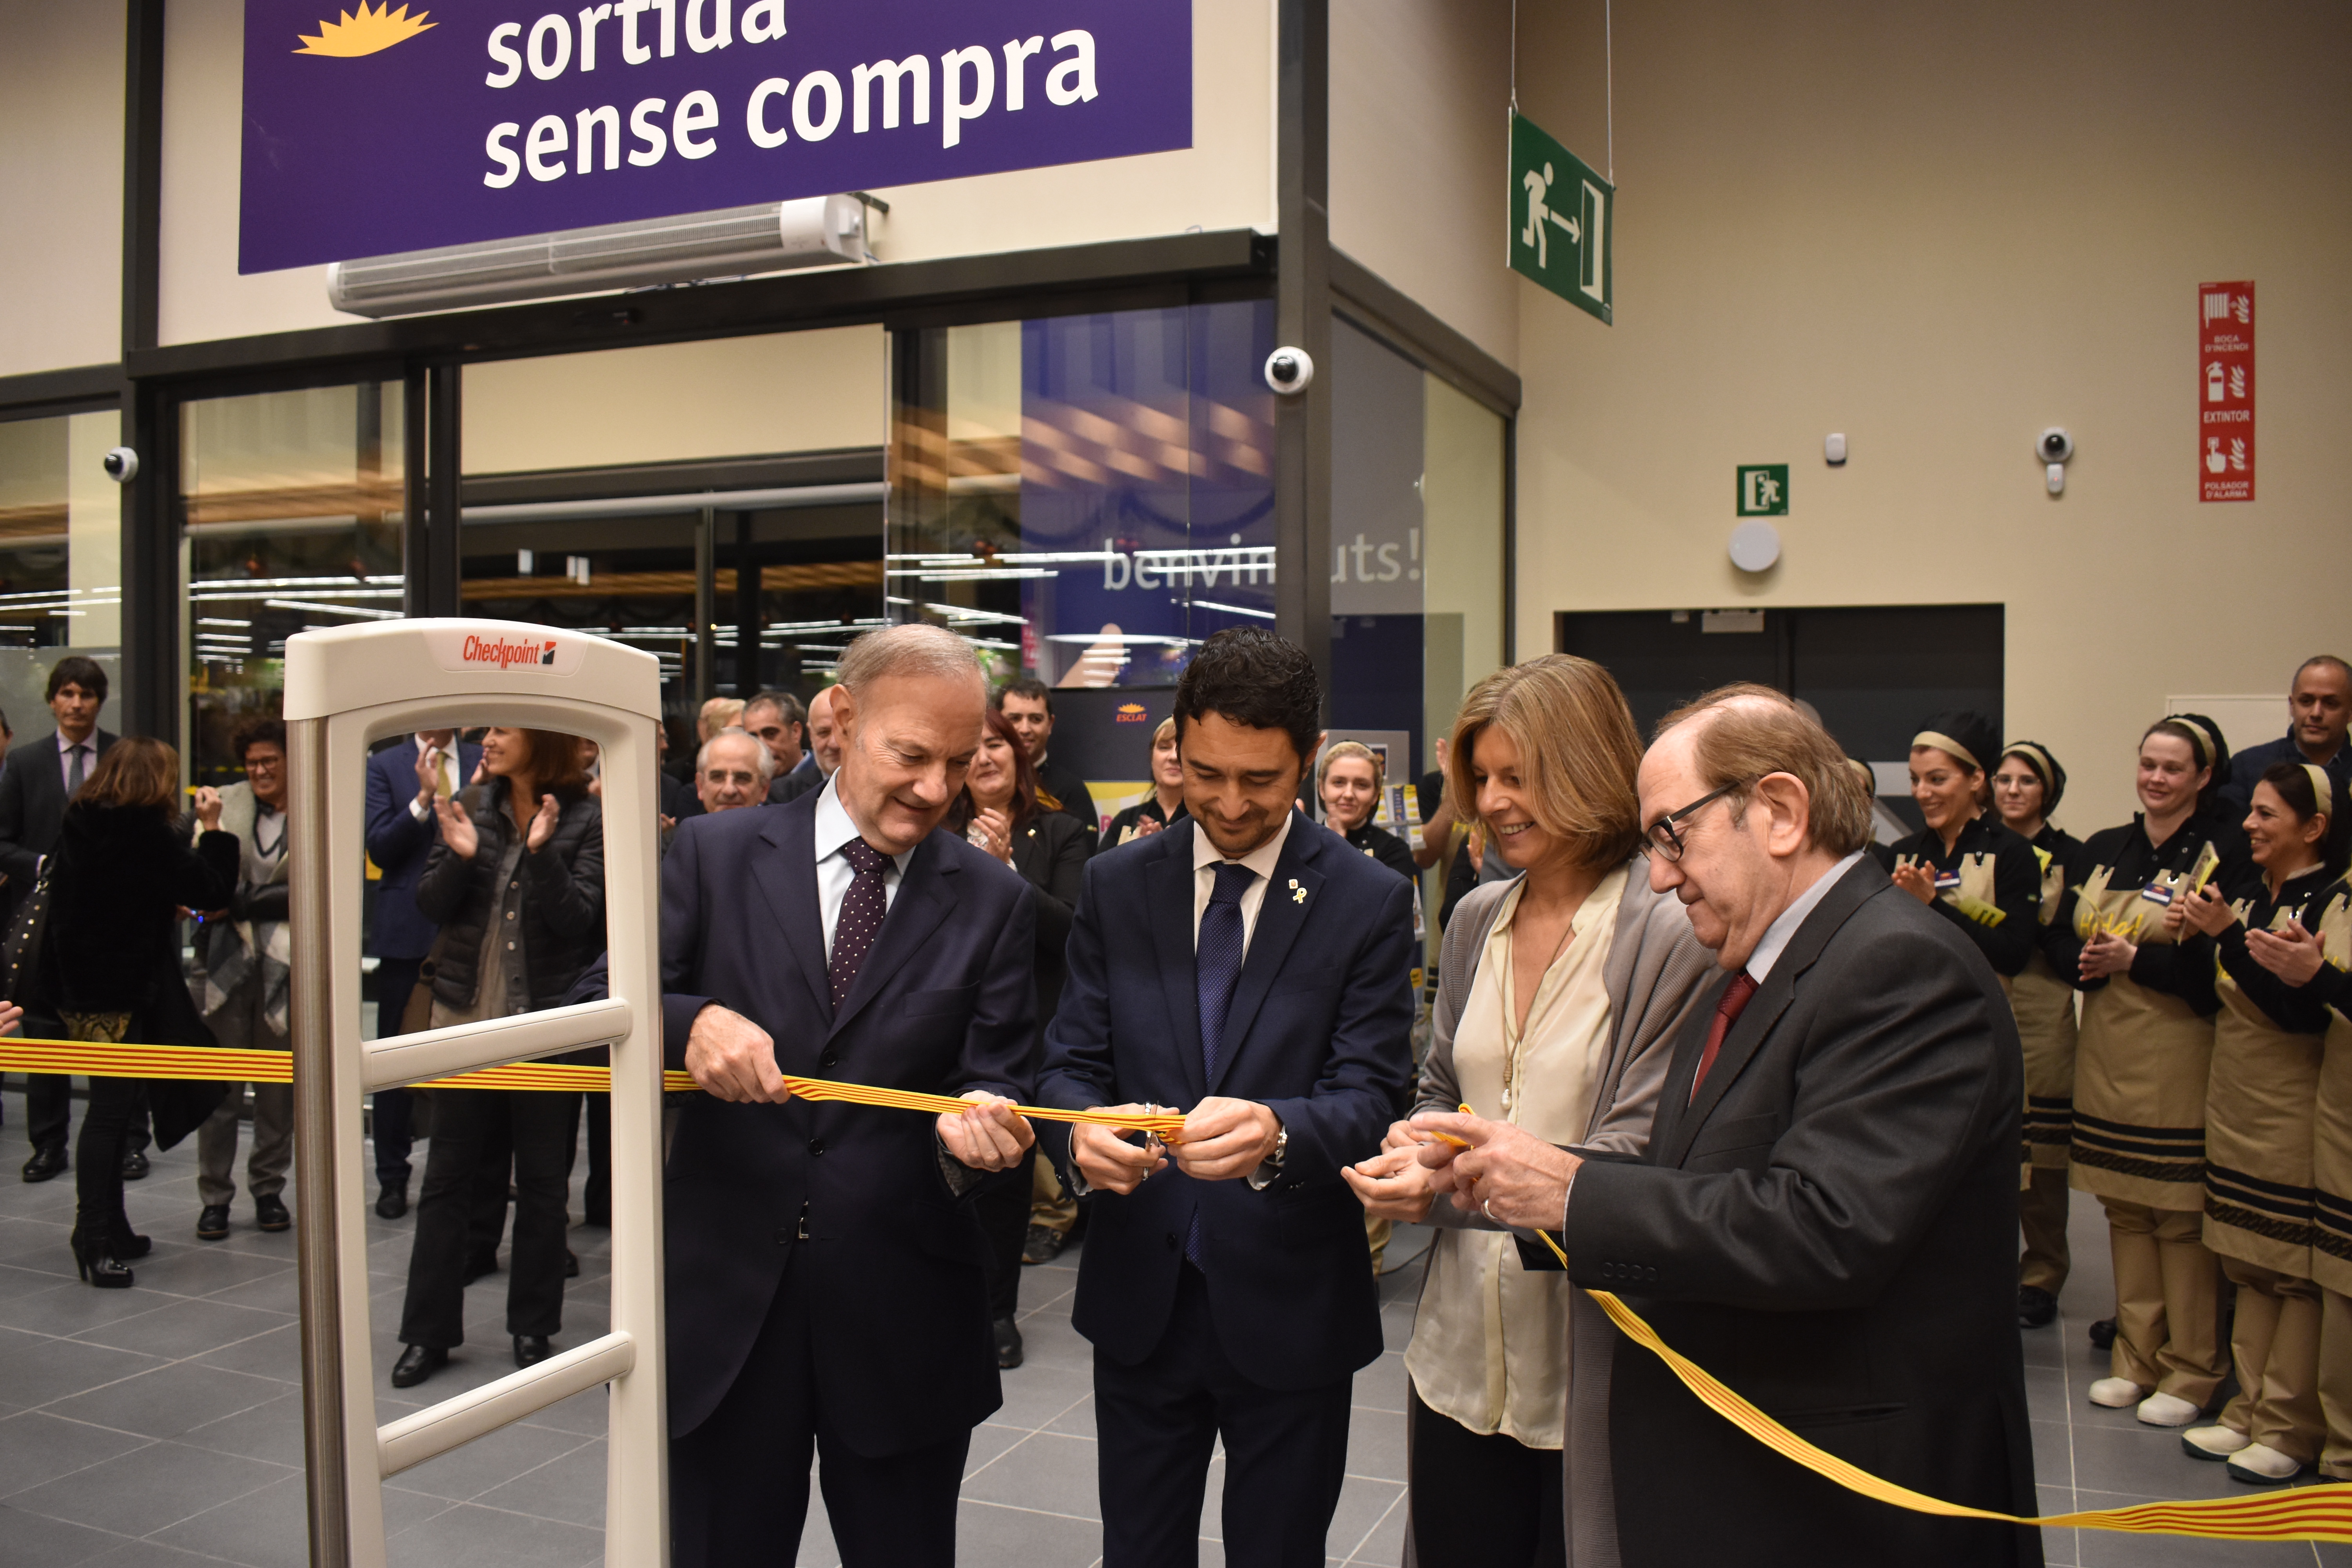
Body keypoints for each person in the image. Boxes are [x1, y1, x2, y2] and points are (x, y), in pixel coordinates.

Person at [1408, 684, 2038, 1568]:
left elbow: (1824, 1226)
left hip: (1850, 1491)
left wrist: (1572, 1189)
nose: (1661, 873)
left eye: (1673, 833)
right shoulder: (1769, 966)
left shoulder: (1897, 966)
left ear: (1779, 811)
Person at [656, 622, 1038, 1568]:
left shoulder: (991, 899)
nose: (936, 789)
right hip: (729, 1313)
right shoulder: (712, 853)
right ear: (841, 719)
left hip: (904, 1313)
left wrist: (979, 1125)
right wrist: (692, 1021)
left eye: (959, 761)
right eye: (911, 755)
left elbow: (1004, 1073)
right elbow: (600, 998)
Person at [1038, 627, 1417, 1568]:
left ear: (1308, 757)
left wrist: (1281, 1129)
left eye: (1262, 779)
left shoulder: (1365, 900)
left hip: (1292, 1301)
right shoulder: (1118, 882)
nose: (1231, 803)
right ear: (1176, 743)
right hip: (1142, 1296)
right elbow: (1070, 1062)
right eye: (1207, 773)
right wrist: (1080, 1133)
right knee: (1139, 1548)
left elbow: (1374, 1090)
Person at [1340, 656, 1713, 1568]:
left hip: (1591, 1358)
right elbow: (1439, 1088)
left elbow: (1640, 1150)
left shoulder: (1665, 929)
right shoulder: (1475, 918)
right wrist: (1415, 1139)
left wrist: (1442, 1181)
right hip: (1459, 1348)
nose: (1494, 801)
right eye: (1483, 779)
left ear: (1588, 770)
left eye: (1519, 777)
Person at [2045, 715, 2250, 1427]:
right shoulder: (2108, 848)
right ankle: (2136, 1358)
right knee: (2125, 1211)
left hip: (2183, 1053)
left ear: (2202, 777)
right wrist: (2096, 964)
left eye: (2173, 768)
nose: (2156, 779)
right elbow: (2065, 945)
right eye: (2148, 764)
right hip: (2108, 1052)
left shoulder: (2225, 852)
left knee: (2180, 1218)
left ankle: (2193, 1371)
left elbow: (2214, 975)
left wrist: (2138, 960)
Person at [390, 727, 605, 1388]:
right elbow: (431, 903)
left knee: (543, 1189)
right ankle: (427, 1335)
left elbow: (583, 922)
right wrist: (458, 856)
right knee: (446, 1182)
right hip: (467, 1021)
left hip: (546, 1031)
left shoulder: (590, 819)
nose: (486, 740)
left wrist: (540, 855)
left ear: (539, 743)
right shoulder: (471, 804)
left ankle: (533, 1327)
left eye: (502, 731)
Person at [2171, 762, 2345, 1481]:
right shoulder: (2247, 891)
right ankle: (2245, 1409)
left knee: (2292, 1271)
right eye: (2252, 813)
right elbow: (2209, 999)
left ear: (2313, 829)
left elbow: (2301, 1014)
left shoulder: (2326, 900)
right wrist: (2204, 936)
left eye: (2268, 816)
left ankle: (2287, 1423)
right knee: (2246, 1259)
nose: (2249, 825)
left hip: (2294, 1107)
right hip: (2235, 1097)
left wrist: (2229, 941)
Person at [30, 739, 238, 1287]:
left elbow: (105, 897)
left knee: (115, 1112)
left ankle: (113, 1226)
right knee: (109, 1115)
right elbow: (214, 891)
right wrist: (214, 830)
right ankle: (92, 1237)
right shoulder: (145, 832)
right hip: (117, 992)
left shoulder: (82, 819)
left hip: (81, 991)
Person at [954, 706, 1091, 1368]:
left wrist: (1007, 872)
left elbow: (1070, 930)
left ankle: (997, 1310)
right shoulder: (933, 833)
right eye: (971, 748)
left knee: (1005, 1175)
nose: (984, 758)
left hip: (1027, 1023)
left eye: (997, 747)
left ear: (1020, 759)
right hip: (944, 1031)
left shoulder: (1059, 832)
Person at [0, 655, 123, 1183]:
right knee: (44, 1033)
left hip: (110, 924)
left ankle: (128, 1137)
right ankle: (48, 1143)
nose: (77, 705)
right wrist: (46, 865)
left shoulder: (122, 756)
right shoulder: (24, 763)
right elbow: (2, 842)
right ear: (53, 700)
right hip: (44, 928)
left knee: (117, 1037)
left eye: (87, 695)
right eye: (68, 694)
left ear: (100, 701)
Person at [2249, 867, 2352, 1481]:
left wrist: (2324, 978)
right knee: (2334, 1279)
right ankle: (2330, 1449)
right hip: (2335, 1105)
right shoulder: (2338, 892)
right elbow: (2302, 1015)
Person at [363, 725, 483, 1218]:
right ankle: (393, 1176)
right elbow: (380, 850)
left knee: (476, 1059)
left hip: (474, 925)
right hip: (409, 934)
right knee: (397, 1057)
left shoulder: (483, 755)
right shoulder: (383, 764)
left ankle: (472, 1173)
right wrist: (421, 800)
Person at [1992, 741, 2089, 1328]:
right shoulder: (1984, 848)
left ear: (2047, 791)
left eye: (2026, 781)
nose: (2012, 790)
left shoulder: (2071, 856)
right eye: (2003, 779)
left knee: (2045, 1154)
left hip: (2044, 1004)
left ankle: (2044, 1272)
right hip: (1991, 996)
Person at [191, 719, 297, 1243]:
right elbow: (201, 884)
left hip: (289, 966)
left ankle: (269, 1188)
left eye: (270, 762)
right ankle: (215, 1197)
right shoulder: (225, 805)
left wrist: (241, 901)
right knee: (222, 1092)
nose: (259, 771)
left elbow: (315, 886)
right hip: (225, 963)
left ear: (289, 760)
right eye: (252, 762)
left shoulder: (314, 801)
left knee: (278, 1092)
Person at [2219, 655, 2352, 817]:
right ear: (2292, 705)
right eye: (2306, 701)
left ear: (2350, 712)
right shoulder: (2246, 766)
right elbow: (2230, 838)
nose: (2316, 713)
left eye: (2330, 703)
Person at [997, 676, 1101, 853]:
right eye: (1014, 719)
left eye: (1036, 719)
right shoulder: (980, 783)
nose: (1024, 729)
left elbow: (1082, 857)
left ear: (1050, 724)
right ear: (997, 723)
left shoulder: (1070, 790)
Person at [1316, 740, 1419, 884]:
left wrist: (1339, 848)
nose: (1348, 794)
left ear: (1376, 794)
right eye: (1339, 783)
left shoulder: (1394, 851)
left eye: (1361, 785)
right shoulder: (1303, 844)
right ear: (1322, 789)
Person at [1103, 716, 1188, 846]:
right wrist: (1138, 851)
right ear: (1152, 757)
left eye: (1183, 748)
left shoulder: (1207, 822)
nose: (1174, 757)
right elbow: (1102, 866)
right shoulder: (1126, 820)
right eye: (1164, 748)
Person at [747, 691, 822, 803]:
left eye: (771, 734)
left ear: (795, 732)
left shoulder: (824, 778)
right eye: (753, 738)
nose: (762, 746)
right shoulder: (746, 787)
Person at [693, 726, 773, 813]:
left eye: (742, 779)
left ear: (764, 789)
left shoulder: (783, 826)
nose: (729, 791)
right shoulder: (686, 827)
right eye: (717, 777)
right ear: (700, 786)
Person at [805, 684, 845, 778]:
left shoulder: (884, 788)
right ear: (811, 736)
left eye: (843, 732)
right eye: (824, 733)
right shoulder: (784, 791)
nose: (834, 744)